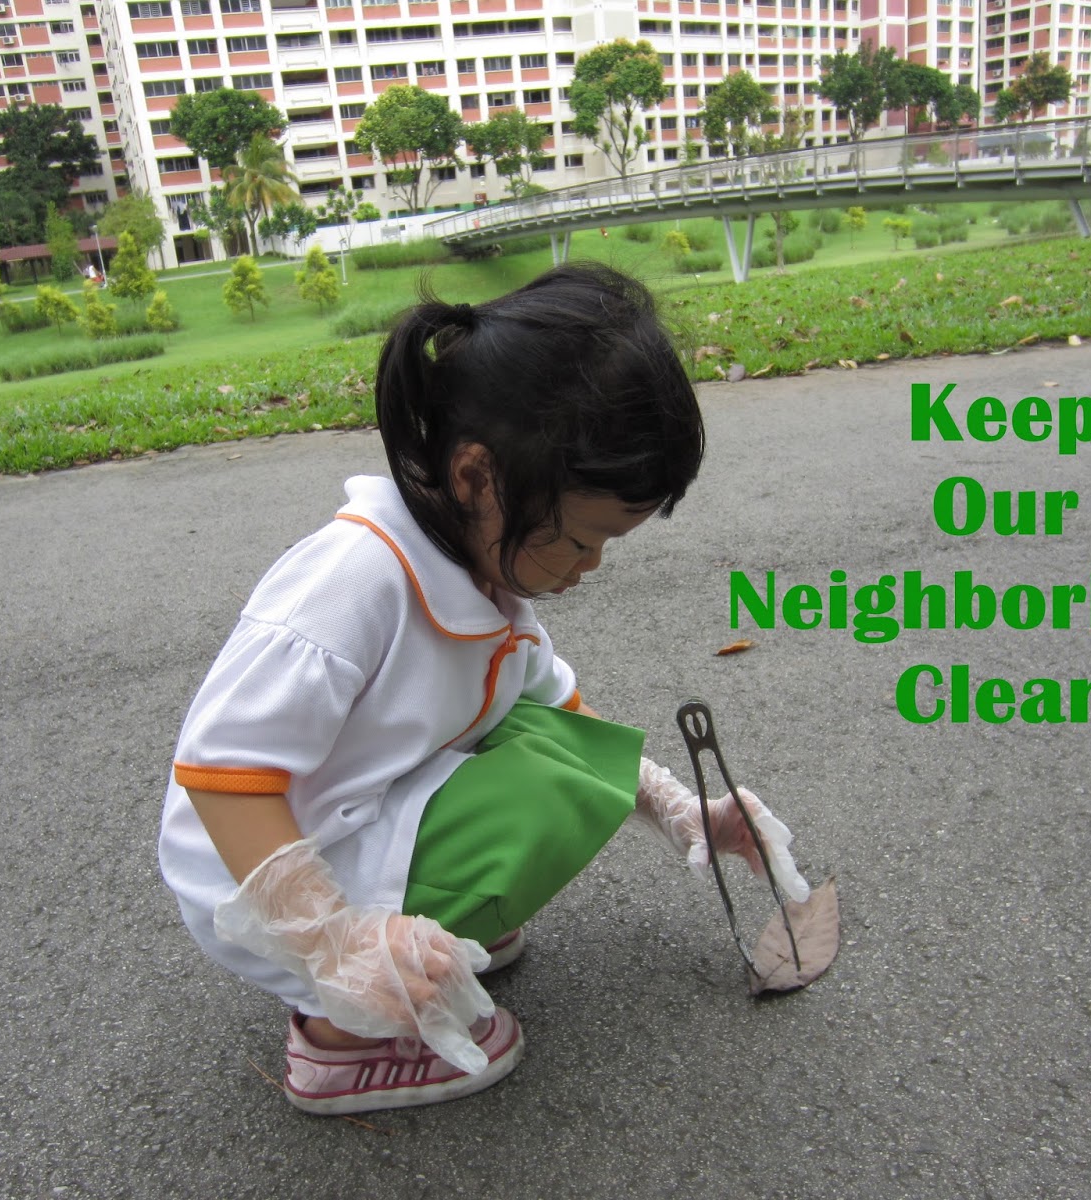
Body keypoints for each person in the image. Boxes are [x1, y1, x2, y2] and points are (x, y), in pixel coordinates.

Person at [158, 263, 811, 1116]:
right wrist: (333, 942)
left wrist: (686, 811)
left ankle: (433, 924)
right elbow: (222, 772)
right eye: (578, 540)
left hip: (354, 811)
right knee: (545, 796)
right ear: (475, 477)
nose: (590, 567)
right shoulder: (354, 580)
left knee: (565, 755)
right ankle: (338, 1040)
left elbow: (568, 724)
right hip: (254, 868)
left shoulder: (484, 574)